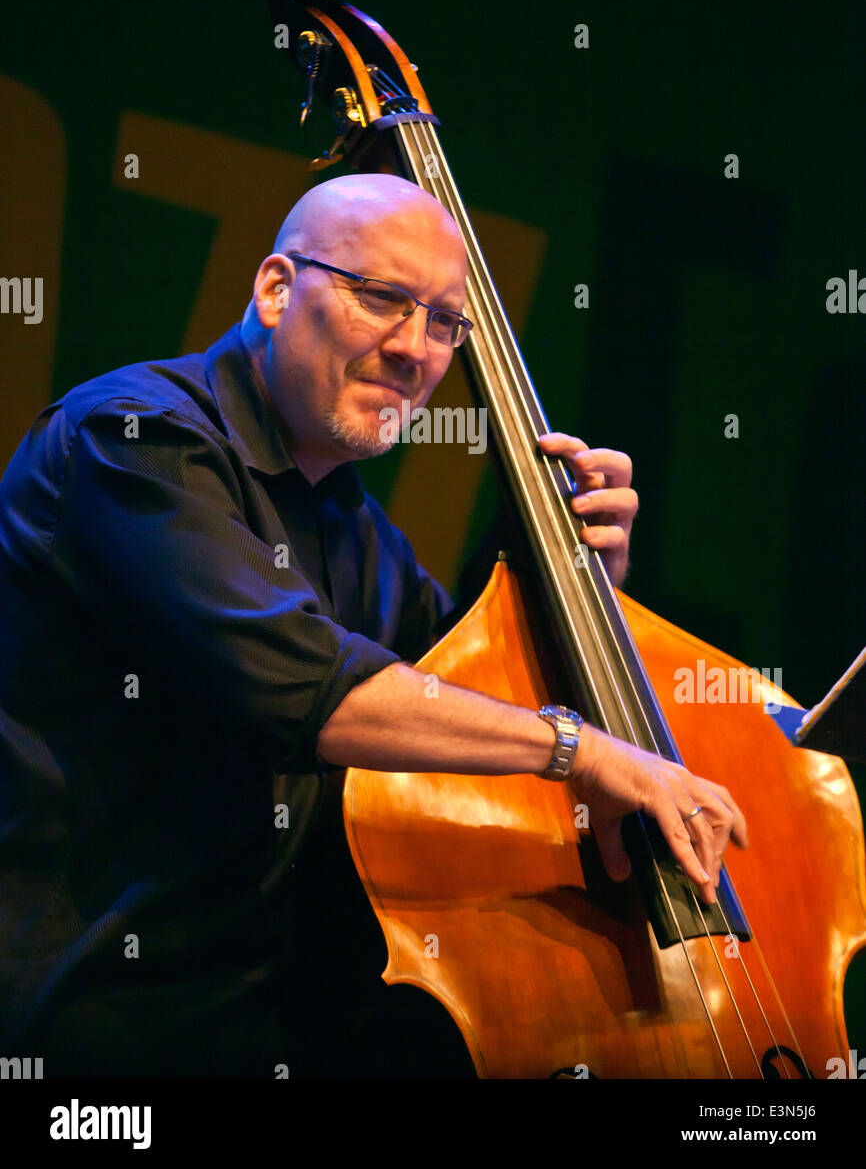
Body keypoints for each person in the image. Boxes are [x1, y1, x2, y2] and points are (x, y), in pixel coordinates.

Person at [0, 174, 746, 1079]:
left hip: (282, 1028)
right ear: (276, 289)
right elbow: (309, 691)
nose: (414, 350)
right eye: (383, 298)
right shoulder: (132, 441)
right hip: (101, 1034)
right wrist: (580, 749)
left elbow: (464, 694)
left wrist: (579, 579)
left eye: (443, 322)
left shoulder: (348, 523)